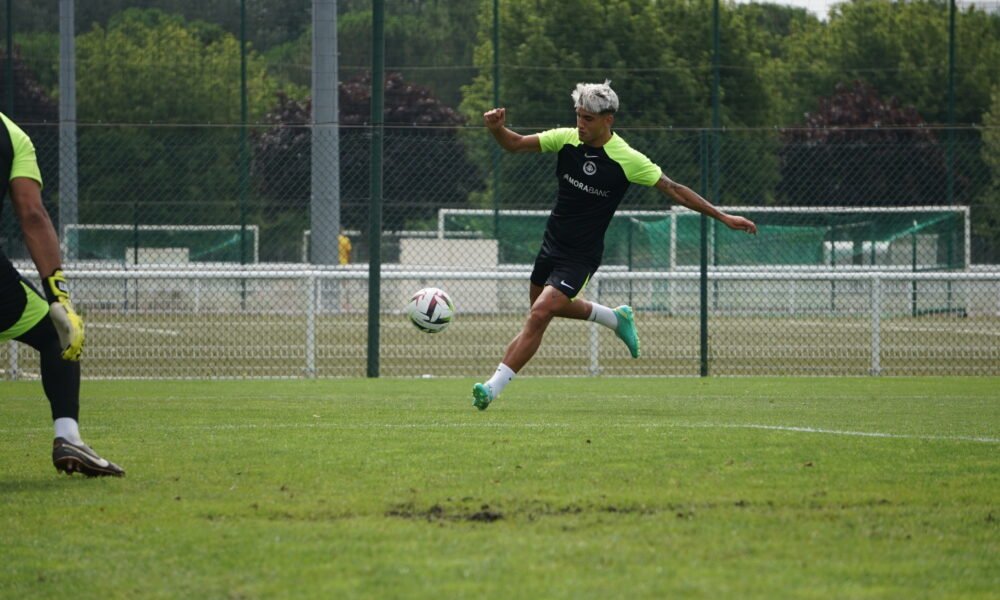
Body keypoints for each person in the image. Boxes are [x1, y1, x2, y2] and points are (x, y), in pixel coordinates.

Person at [472, 81, 757, 410]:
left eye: (588, 119)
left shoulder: (627, 158)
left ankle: (490, 390)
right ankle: (614, 318)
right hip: (550, 246)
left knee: (539, 315)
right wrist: (497, 129)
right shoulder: (566, 139)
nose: (580, 123)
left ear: (608, 120)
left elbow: (675, 189)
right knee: (543, 311)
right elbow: (516, 144)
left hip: (580, 256)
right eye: (578, 116)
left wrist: (722, 216)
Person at [0, 111, 124, 476]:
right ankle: (68, 435)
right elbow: (33, 214)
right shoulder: (12, 135)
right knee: (59, 334)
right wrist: (59, 298)